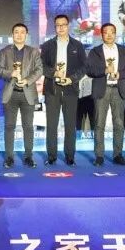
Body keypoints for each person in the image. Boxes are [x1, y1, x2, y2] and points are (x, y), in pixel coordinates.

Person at [40, 14, 87, 166]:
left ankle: (70, 156)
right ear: (54, 27)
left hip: (70, 89)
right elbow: (41, 66)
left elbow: (84, 67)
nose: (60, 28)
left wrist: (71, 79)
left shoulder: (77, 45)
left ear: (68, 26)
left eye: (63, 25)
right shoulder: (47, 45)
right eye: (58, 25)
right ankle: (51, 156)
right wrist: (54, 73)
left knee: (70, 125)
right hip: (52, 90)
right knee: (51, 125)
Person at [86, 23, 125, 166]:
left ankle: (118, 154)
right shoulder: (95, 51)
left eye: (112, 32)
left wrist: (120, 74)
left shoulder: (123, 50)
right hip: (102, 89)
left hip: (118, 89)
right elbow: (89, 70)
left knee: (119, 124)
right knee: (99, 124)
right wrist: (105, 70)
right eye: (106, 32)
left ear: (115, 34)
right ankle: (99, 156)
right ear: (101, 35)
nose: (109, 35)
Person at [0, 23, 44, 168]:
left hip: (27, 93)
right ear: (12, 34)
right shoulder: (5, 51)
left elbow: (39, 70)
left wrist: (27, 80)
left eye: (22, 32)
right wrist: (11, 73)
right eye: (16, 32)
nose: (19, 35)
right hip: (10, 94)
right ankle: (9, 158)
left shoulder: (33, 51)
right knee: (9, 126)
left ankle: (28, 157)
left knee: (28, 127)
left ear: (26, 35)